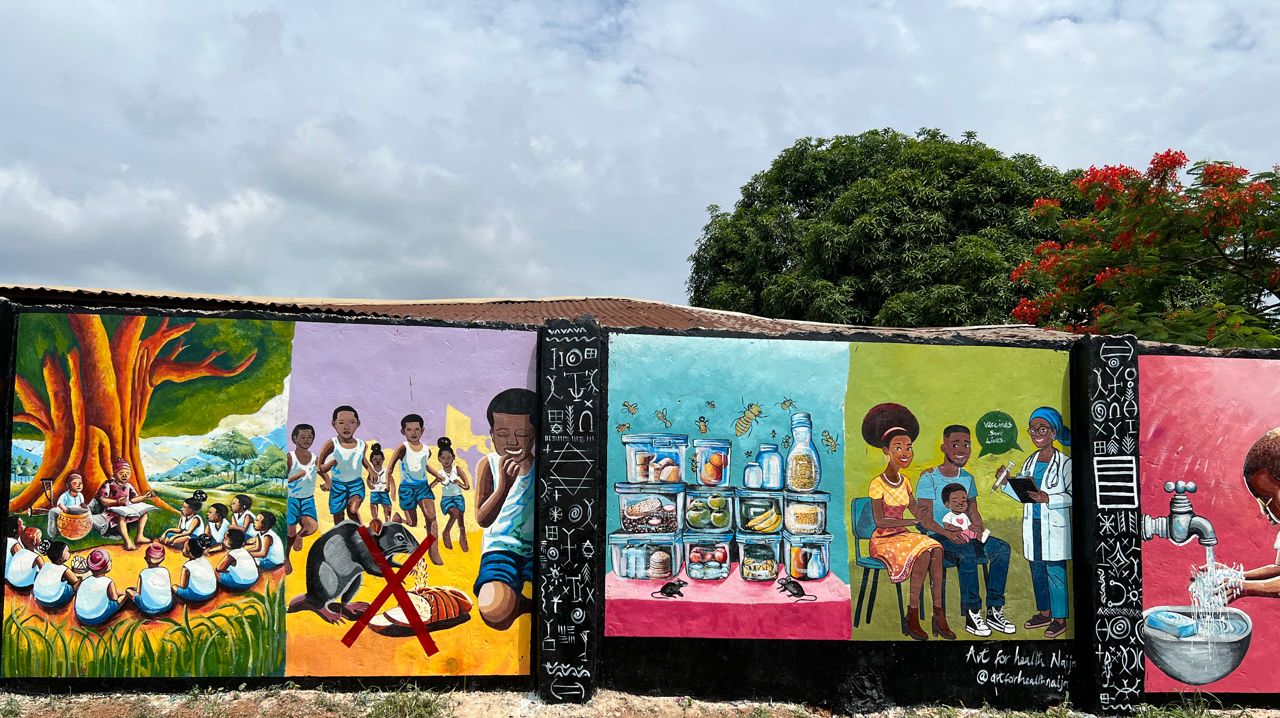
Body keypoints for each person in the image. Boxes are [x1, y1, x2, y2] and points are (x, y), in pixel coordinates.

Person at [861, 402, 950, 641]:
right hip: (883, 540)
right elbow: (880, 520)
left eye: (908, 448)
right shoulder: (877, 484)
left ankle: (938, 614)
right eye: (898, 447)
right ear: (886, 451)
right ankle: (912, 615)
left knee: (937, 550)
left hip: (904, 537)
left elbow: (917, 512)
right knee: (922, 553)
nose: (905, 453)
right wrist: (912, 521)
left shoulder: (906, 481)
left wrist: (928, 488)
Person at [915, 425, 1015, 637]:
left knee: (1001, 549)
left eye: (966, 444)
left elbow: (973, 511)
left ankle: (995, 610)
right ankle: (972, 613)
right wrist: (948, 533)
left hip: (966, 534)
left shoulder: (968, 478)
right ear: (944, 447)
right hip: (938, 538)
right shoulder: (929, 478)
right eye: (955, 444)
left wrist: (978, 527)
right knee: (967, 552)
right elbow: (925, 520)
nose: (962, 448)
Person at [994, 406, 1073, 639]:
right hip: (1034, 524)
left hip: (1055, 526)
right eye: (1033, 429)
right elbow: (1023, 494)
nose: (1037, 433)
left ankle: (1059, 619)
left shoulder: (1065, 463)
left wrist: (1048, 498)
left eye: (1042, 428)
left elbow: (1072, 495)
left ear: (1054, 432)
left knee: (1055, 571)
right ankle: (1044, 612)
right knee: (1037, 568)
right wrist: (1007, 482)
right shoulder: (1030, 461)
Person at [474, 388, 538, 630]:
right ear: (491, 434)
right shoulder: (488, 464)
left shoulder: (543, 466)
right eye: (502, 434)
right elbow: (482, 519)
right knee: (494, 610)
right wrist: (504, 486)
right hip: (499, 548)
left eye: (521, 434)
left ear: (534, 434)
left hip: (536, 549)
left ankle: (519, 597)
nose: (511, 442)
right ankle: (520, 603)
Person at [387, 413, 448, 565]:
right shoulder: (403, 447)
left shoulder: (426, 450)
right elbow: (391, 466)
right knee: (412, 522)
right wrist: (388, 483)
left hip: (422, 487)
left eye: (416, 429)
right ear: (403, 431)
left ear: (422, 430)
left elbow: (424, 465)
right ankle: (400, 519)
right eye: (409, 429)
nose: (413, 433)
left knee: (431, 517)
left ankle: (434, 551)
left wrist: (436, 475)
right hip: (407, 488)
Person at [317, 405, 375, 525]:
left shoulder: (361, 444)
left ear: (358, 424)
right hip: (338, 486)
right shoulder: (332, 443)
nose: (347, 427)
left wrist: (371, 470)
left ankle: (362, 535)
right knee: (338, 517)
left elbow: (362, 459)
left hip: (356, 484)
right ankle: (343, 537)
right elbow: (319, 466)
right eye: (341, 422)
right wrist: (329, 466)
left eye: (352, 422)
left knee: (353, 510)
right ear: (334, 424)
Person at [96, 459, 157, 550]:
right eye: (121, 473)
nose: (125, 475)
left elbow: (133, 499)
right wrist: (115, 502)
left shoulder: (128, 486)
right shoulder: (109, 484)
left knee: (144, 513)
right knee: (121, 517)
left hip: (126, 509)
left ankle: (139, 536)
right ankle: (127, 541)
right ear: (114, 473)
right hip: (112, 511)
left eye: (127, 473)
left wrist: (145, 497)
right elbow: (103, 499)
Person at [285, 423, 320, 575]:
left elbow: (320, 470)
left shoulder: (314, 458)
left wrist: (328, 481)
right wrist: (296, 476)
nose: (307, 440)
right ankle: (286, 557)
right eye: (303, 437)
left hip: (307, 498)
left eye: (310, 437)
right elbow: (282, 480)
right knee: (289, 532)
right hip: (291, 499)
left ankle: (300, 536)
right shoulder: (290, 457)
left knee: (312, 526)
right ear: (295, 439)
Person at [433, 437, 473, 552]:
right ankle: (446, 532)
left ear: (453, 457)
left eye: (449, 457)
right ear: (439, 459)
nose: (446, 460)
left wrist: (458, 482)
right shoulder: (439, 473)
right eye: (443, 458)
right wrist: (435, 482)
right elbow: (432, 486)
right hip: (446, 500)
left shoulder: (457, 469)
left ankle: (463, 538)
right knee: (454, 513)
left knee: (461, 521)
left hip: (459, 498)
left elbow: (467, 486)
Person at [75, 549, 128, 627]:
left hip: (81, 617)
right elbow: (114, 599)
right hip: (95, 618)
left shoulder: (85, 580)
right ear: (106, 567)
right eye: (109, 561)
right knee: (122, 597)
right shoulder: (108, 581)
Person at [126, 542, 174, 617]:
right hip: (167, 606)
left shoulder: (143, 573)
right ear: (163, 558)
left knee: (129, 590)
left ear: (145, 558)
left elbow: (138, 593)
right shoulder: (165, 571)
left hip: (147, 608)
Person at [33, 540, 79, 610]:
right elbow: (76, 583)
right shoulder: (64, 569)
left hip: (40, 599)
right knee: (72, 585)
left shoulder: (45, 565)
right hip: (54, 601)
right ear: (60, 559)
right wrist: (80, 577)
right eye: (67, 551)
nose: (69, 552)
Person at [173, 536, 218, 604]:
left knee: (174, 587)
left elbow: (183, 586)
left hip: (198, 595)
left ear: (188, 551)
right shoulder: (205, 560)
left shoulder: (187, 566)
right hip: (212, 591)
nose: (183, 548)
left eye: (184, 547)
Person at [47, 473, 89, 538]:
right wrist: (65, 510)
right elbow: (60, 504)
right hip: (66, 511)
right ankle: (53, 533)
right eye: (74, 483)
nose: (78, 485)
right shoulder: (65, 495)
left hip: (76, 512)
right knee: (52, 511)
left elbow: (82, 504)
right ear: (68, 485)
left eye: (80, 483)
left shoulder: (80, 495)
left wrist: (84, 506)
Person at [367, 444, 394, 524]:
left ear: (383, 459)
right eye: (375, 459)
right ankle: (375, 521)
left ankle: (387, 522)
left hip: (384, 492)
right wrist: (370, 485)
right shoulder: (371, 471)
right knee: (373, 506)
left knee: (387, 507)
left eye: (380, 459)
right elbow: (368, 480)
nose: (378, 461)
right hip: (374, 492)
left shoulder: (386, 470)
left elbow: (391, 480)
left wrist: (391, 490)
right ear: (371, 460)